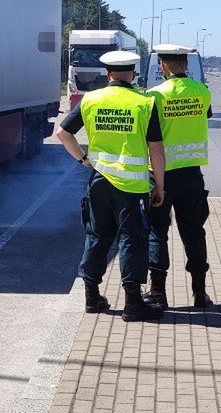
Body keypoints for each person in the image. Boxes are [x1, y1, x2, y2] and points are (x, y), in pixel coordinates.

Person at [56, 51, 165, 322]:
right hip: (131, 186)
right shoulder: (144, 103)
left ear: (108, 74)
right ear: (133, 74)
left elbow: (62, 133)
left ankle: (92, 298)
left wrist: (83, 159)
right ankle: (132, 304)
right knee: (132, 239)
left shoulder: (92, 99)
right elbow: (156, 150)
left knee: (97, 235)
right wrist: (159, 186)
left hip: (99, 182)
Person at [143, 44, 213, 309]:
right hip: (192, 175)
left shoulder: (154, 96)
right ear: (186, 64)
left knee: (157, 233)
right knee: (194, 232)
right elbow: (204, 116)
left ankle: (158, 294)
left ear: (162, 66)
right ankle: (199, 293)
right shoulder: (202, 92)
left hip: (160, 175)